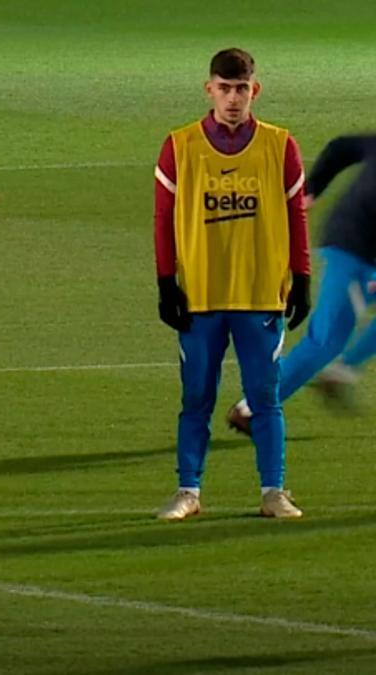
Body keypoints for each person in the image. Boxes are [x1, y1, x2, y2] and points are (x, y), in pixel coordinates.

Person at [152, 48, 310, 521]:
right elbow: (162, 219)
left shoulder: (280, 145)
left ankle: (273, 491)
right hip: (200, 294)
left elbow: (296, 214)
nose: (234, 98)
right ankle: (188, 491)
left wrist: (301, 277)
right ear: (209, 89)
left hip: (260, 292)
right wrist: (165, 282)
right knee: (196, 397)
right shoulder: (178, 145)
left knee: (265, 397)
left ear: (254, 90)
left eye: (241, 88)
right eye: (225, 88)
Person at [228, 135, 376, 429]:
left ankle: (342, 371)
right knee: (326, 340)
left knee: (329, 339)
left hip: (361, 243)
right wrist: (311, 189)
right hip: (353, 247)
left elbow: (340, 148)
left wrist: (313, 188)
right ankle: (251, 407)